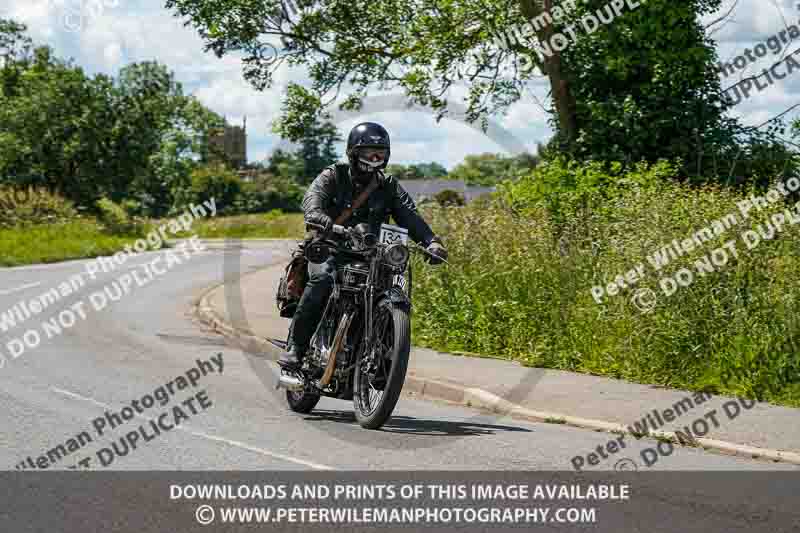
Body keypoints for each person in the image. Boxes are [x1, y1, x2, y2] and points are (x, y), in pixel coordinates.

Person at [279, 122, 448, 368]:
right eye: (370, 152)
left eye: (381, 153)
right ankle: (296, 347)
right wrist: (319, 216)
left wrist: (432, 242)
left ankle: (381, 356)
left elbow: (410, 216)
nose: (376, 158)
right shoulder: (333, 175)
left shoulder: (388, 185)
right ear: (354, 152)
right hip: (330, 248)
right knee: (323, 279)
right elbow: (312, 199)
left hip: (371, 254)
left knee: (387, 286)